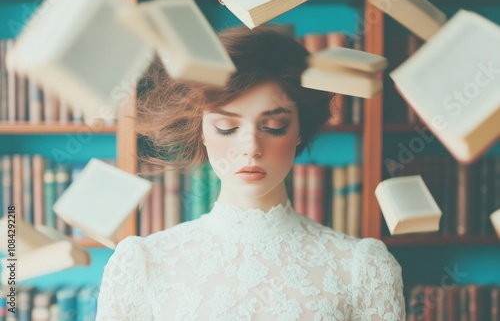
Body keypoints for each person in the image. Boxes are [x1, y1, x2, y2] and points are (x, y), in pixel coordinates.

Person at [96, 25, 405, 320]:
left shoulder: (362, 269)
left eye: (273, 126)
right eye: (227, 127)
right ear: (203, 131)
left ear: (299, 129)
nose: (251, 148)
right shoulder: (143, 264)